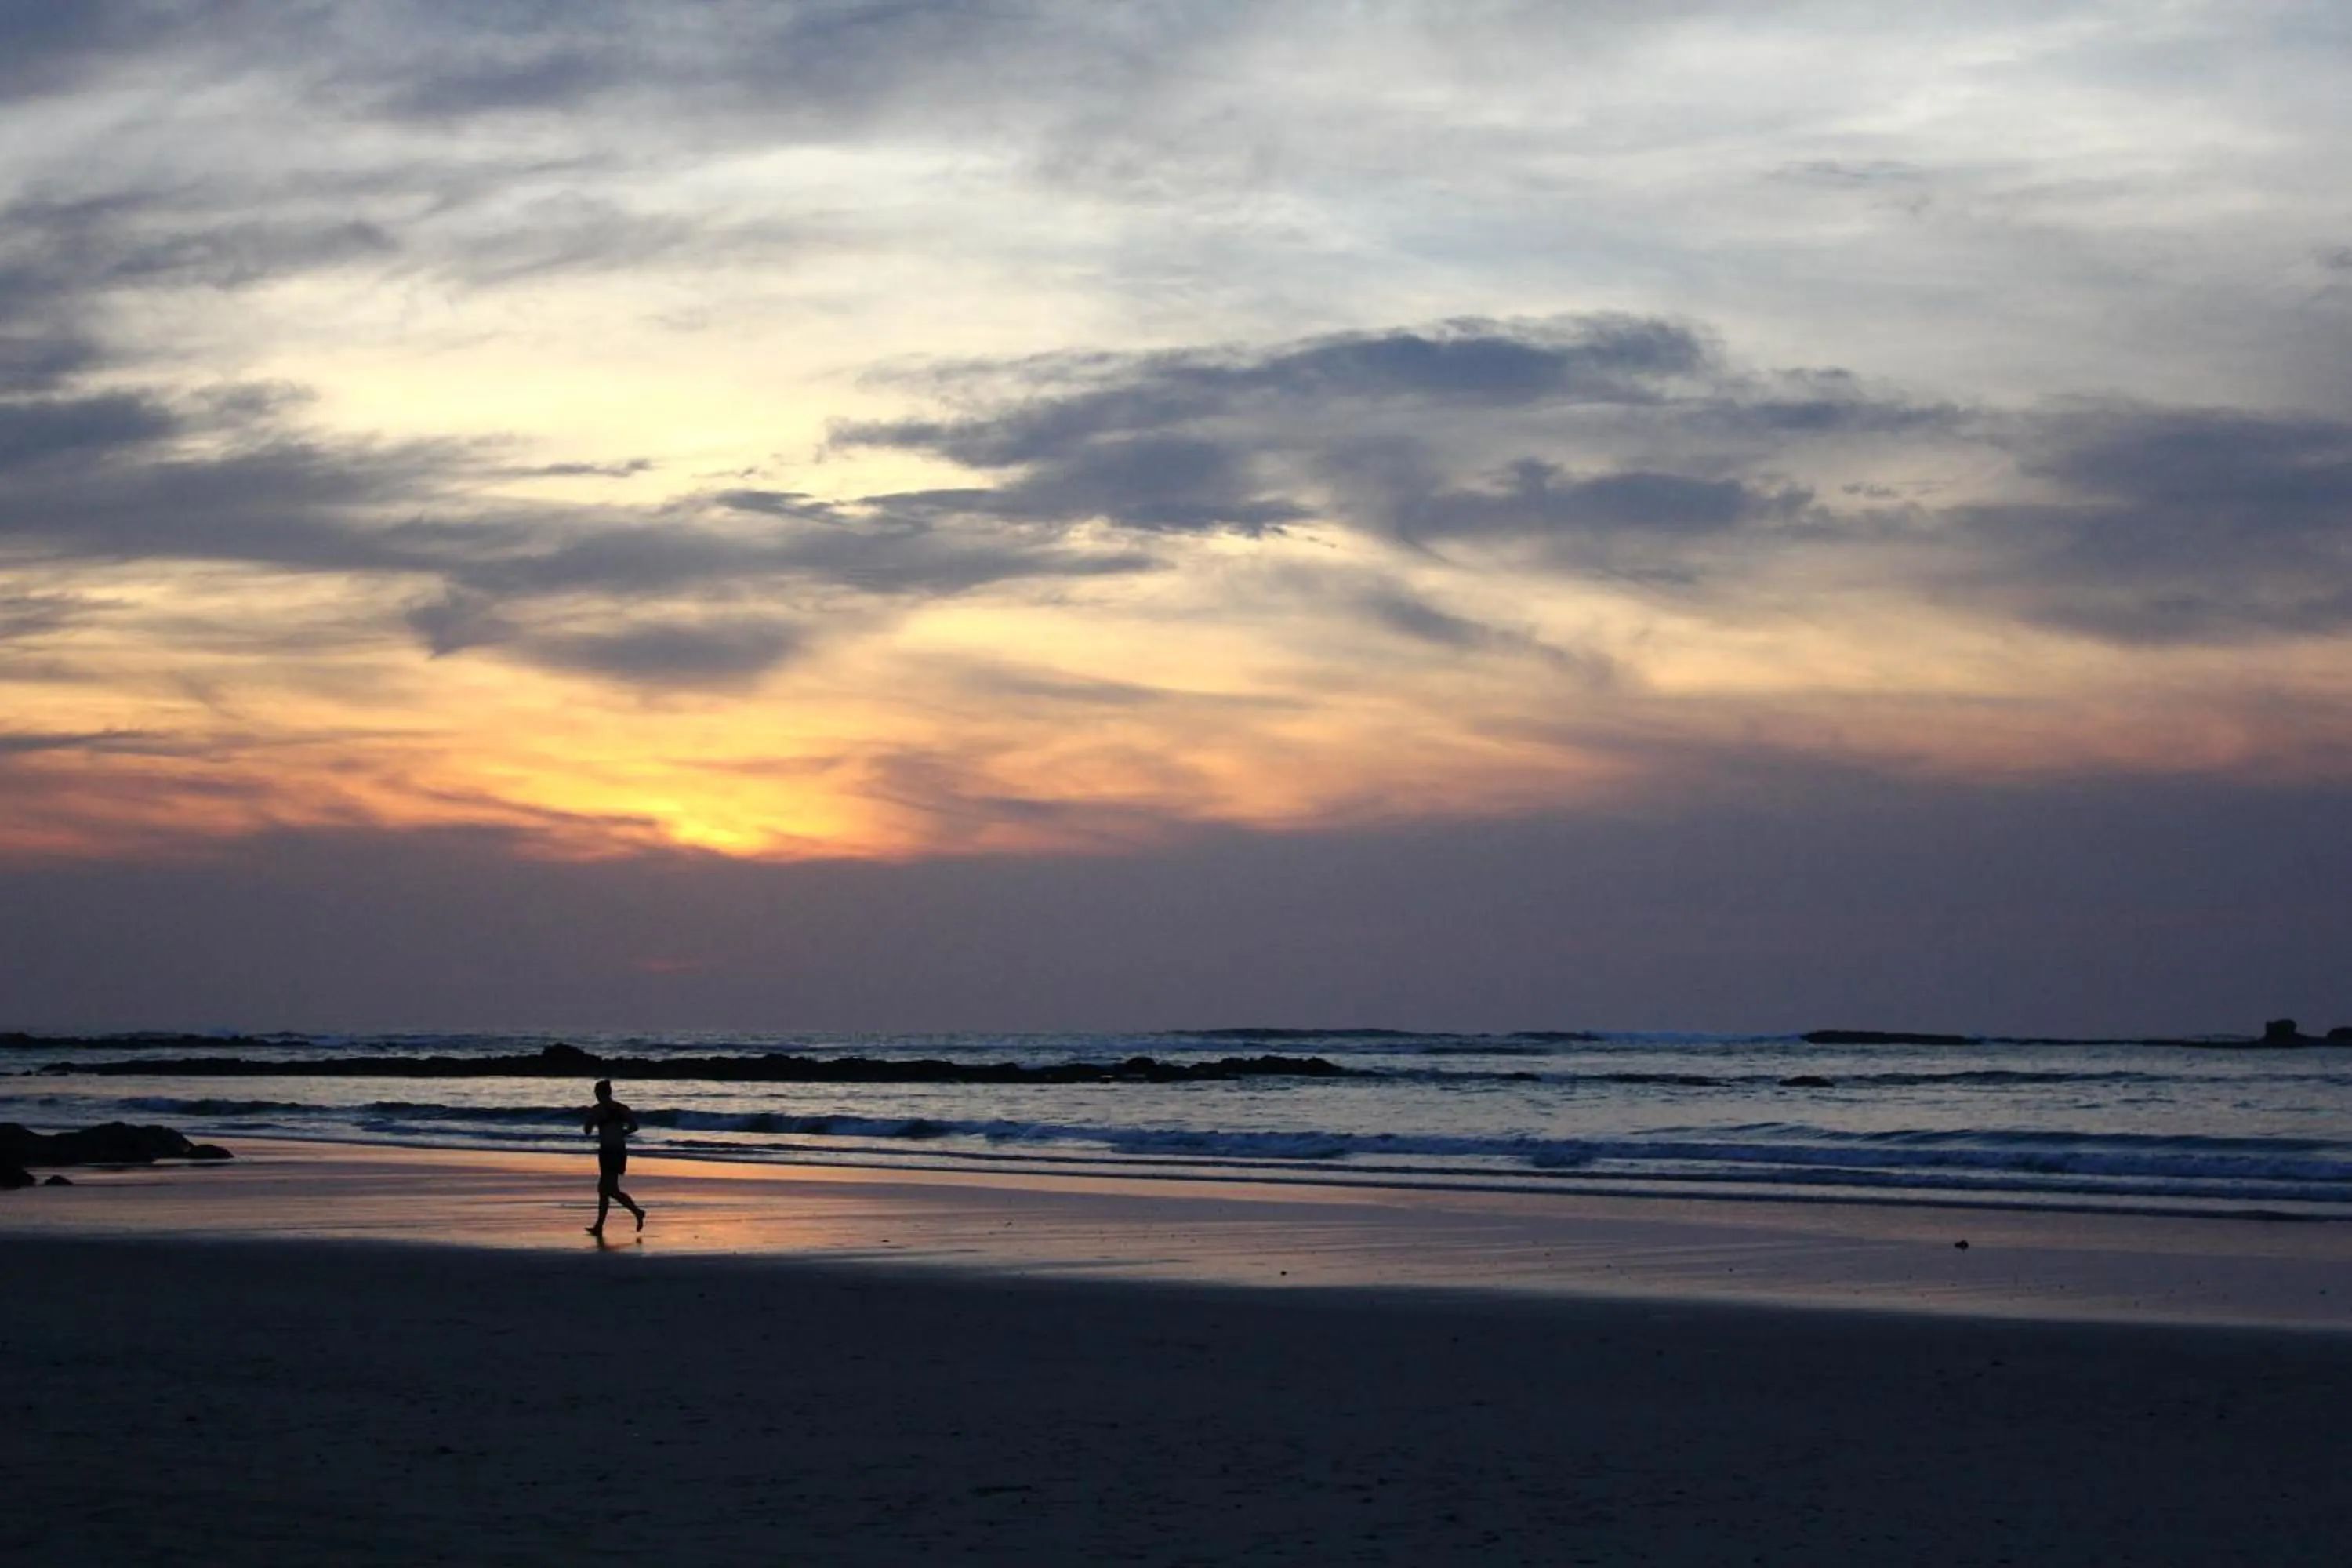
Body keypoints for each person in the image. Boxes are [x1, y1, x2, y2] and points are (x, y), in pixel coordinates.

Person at [582, 1079, 646, 1236]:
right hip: (618, 1150)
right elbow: (634, 1126)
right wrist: (622, 1133)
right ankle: (599, 1226)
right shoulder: (622, 1109)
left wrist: (591, 1121)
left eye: (597, 1093)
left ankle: (637, 1212)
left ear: (601, 1093)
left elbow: (587, 1130)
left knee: (609, 1189)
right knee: (605, 1190)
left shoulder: (597, 1110)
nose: (596, 1096)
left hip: (609, 1151)